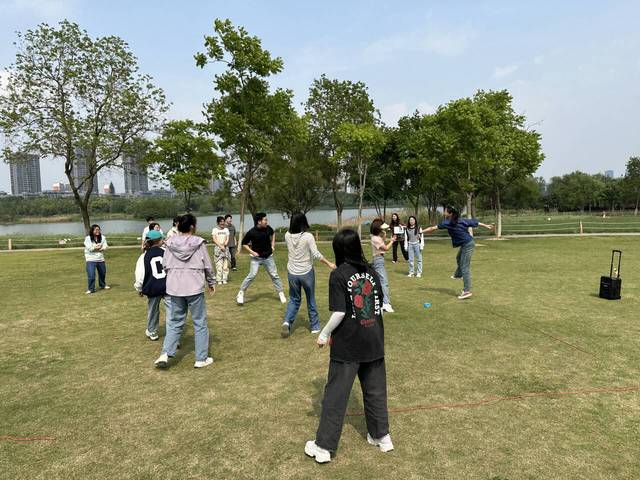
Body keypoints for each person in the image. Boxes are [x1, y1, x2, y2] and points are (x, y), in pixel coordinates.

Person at [305, 228, 393, 464]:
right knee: (375, 390)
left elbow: (340, 312)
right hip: (374, 338)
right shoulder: (372, 271)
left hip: (349, 344)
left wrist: (324, 334)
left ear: (339, 249)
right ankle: (382, 437)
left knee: (335, 394)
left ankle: (323, 446)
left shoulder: (338, 275)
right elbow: (378, 303)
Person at [154, 214, 216, 369]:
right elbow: (207, 265)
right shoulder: (199, 243)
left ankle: (165, 353)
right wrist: (211, 282)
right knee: (199, 323)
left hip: (175, 287)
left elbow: (165, 265)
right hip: (194, 287)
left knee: (175, 322)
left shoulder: (169, 243)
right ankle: (201, 358)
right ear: (192, 226)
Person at [281, 212, 336, 338]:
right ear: (303, 222)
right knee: (310, 299)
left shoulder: (287, 235)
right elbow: (316, 254)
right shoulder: (308, 236)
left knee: (294, 299)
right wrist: (329, 263)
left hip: (292, 273)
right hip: (306, 272)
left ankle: (287, 322)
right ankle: (315, 327)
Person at [421, 206, 494, 300]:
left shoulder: (448, 222)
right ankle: (458, 274)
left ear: (450, 213)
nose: (444, 213)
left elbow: (432, 228)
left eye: (445, 211)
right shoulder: (456, 221)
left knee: (465, 267)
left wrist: (421, 232)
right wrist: (486, 226)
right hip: (465, 243)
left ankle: (466, 291)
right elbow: (475, 222)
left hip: (468, 244)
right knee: (458, 258)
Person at [236, 212, 286, 305]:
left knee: (274, 275)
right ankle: (241, 293)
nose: (267, 221)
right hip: (256, 258)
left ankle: (281, 293)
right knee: (252, 275)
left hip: (268, 257)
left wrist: (273, 245)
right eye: (265, 220)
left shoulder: (268, 228)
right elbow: (244, 243)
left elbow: (273, 233)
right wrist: (252, 252)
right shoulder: (251, 232)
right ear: (259, 221)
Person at [134, 230, 167, 341]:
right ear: (159, 241)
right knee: (171, 310)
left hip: (153, 287)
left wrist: (139, 288)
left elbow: (140, 275)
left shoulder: (144, 256)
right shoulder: (166, 252)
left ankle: (152, 330)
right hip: (167, 286)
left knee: (153, 310)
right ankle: (173, 334)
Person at [370, 219, 396, 313]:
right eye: (381, 228)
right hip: (378, 260)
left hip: (379, 260)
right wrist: (392, 241)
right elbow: (386, 248)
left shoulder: (376, 237)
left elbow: (382, 246)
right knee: (384, 282)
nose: (383, 229)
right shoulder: (375, 238)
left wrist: (384, 236)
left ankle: (381, 303)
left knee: (380, 282)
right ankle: (386, 304)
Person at [84, 224, 110, 294]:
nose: (98, 231)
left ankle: (102, 285)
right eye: (96, 230)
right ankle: (91, 289)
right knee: (91, 275)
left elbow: (105, 246)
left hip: (100, 259)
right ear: (92, 230)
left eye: (98, 229)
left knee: (102, 273)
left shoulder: (103, 237)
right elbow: (90, 248)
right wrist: (97, 247)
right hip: (90, 259)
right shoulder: (88, 238)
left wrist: (99, 248)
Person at [211, 216, 230, 284]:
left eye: (223, 221)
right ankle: (219, 280)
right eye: (221, 222)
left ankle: (224, 279)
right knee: (219, 265)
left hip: (225, 248)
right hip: (218, 248)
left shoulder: (226, 230)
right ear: (218, 223)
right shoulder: (215, 230)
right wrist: (220, 246)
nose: (222, 223)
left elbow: (227, 238)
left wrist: (224, 244)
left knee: (225, 266)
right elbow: (214, 239)